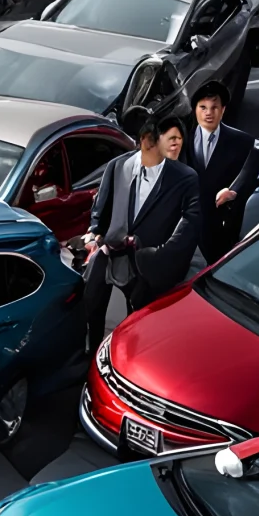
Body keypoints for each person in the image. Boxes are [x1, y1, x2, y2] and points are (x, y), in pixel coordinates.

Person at [83, 108, 202, 351]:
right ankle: (93, 354)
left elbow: (189, 226)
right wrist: (97, 233)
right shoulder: (118, 166)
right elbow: (101, 208)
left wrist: (160, 256)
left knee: (136, 322)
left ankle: (130, 358)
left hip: (146, 264)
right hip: (109, 255)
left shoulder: (185, 177)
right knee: (92, 308)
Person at [182, 80, 257, 264]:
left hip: (219, 229)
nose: (208, 113)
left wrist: (233, 191)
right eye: (203, 107)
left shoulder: (243, 143)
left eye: (214, 107)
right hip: (184, 227)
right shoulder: (181, 140)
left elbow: (251, 174)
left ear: (223, 110)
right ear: (195, 110)